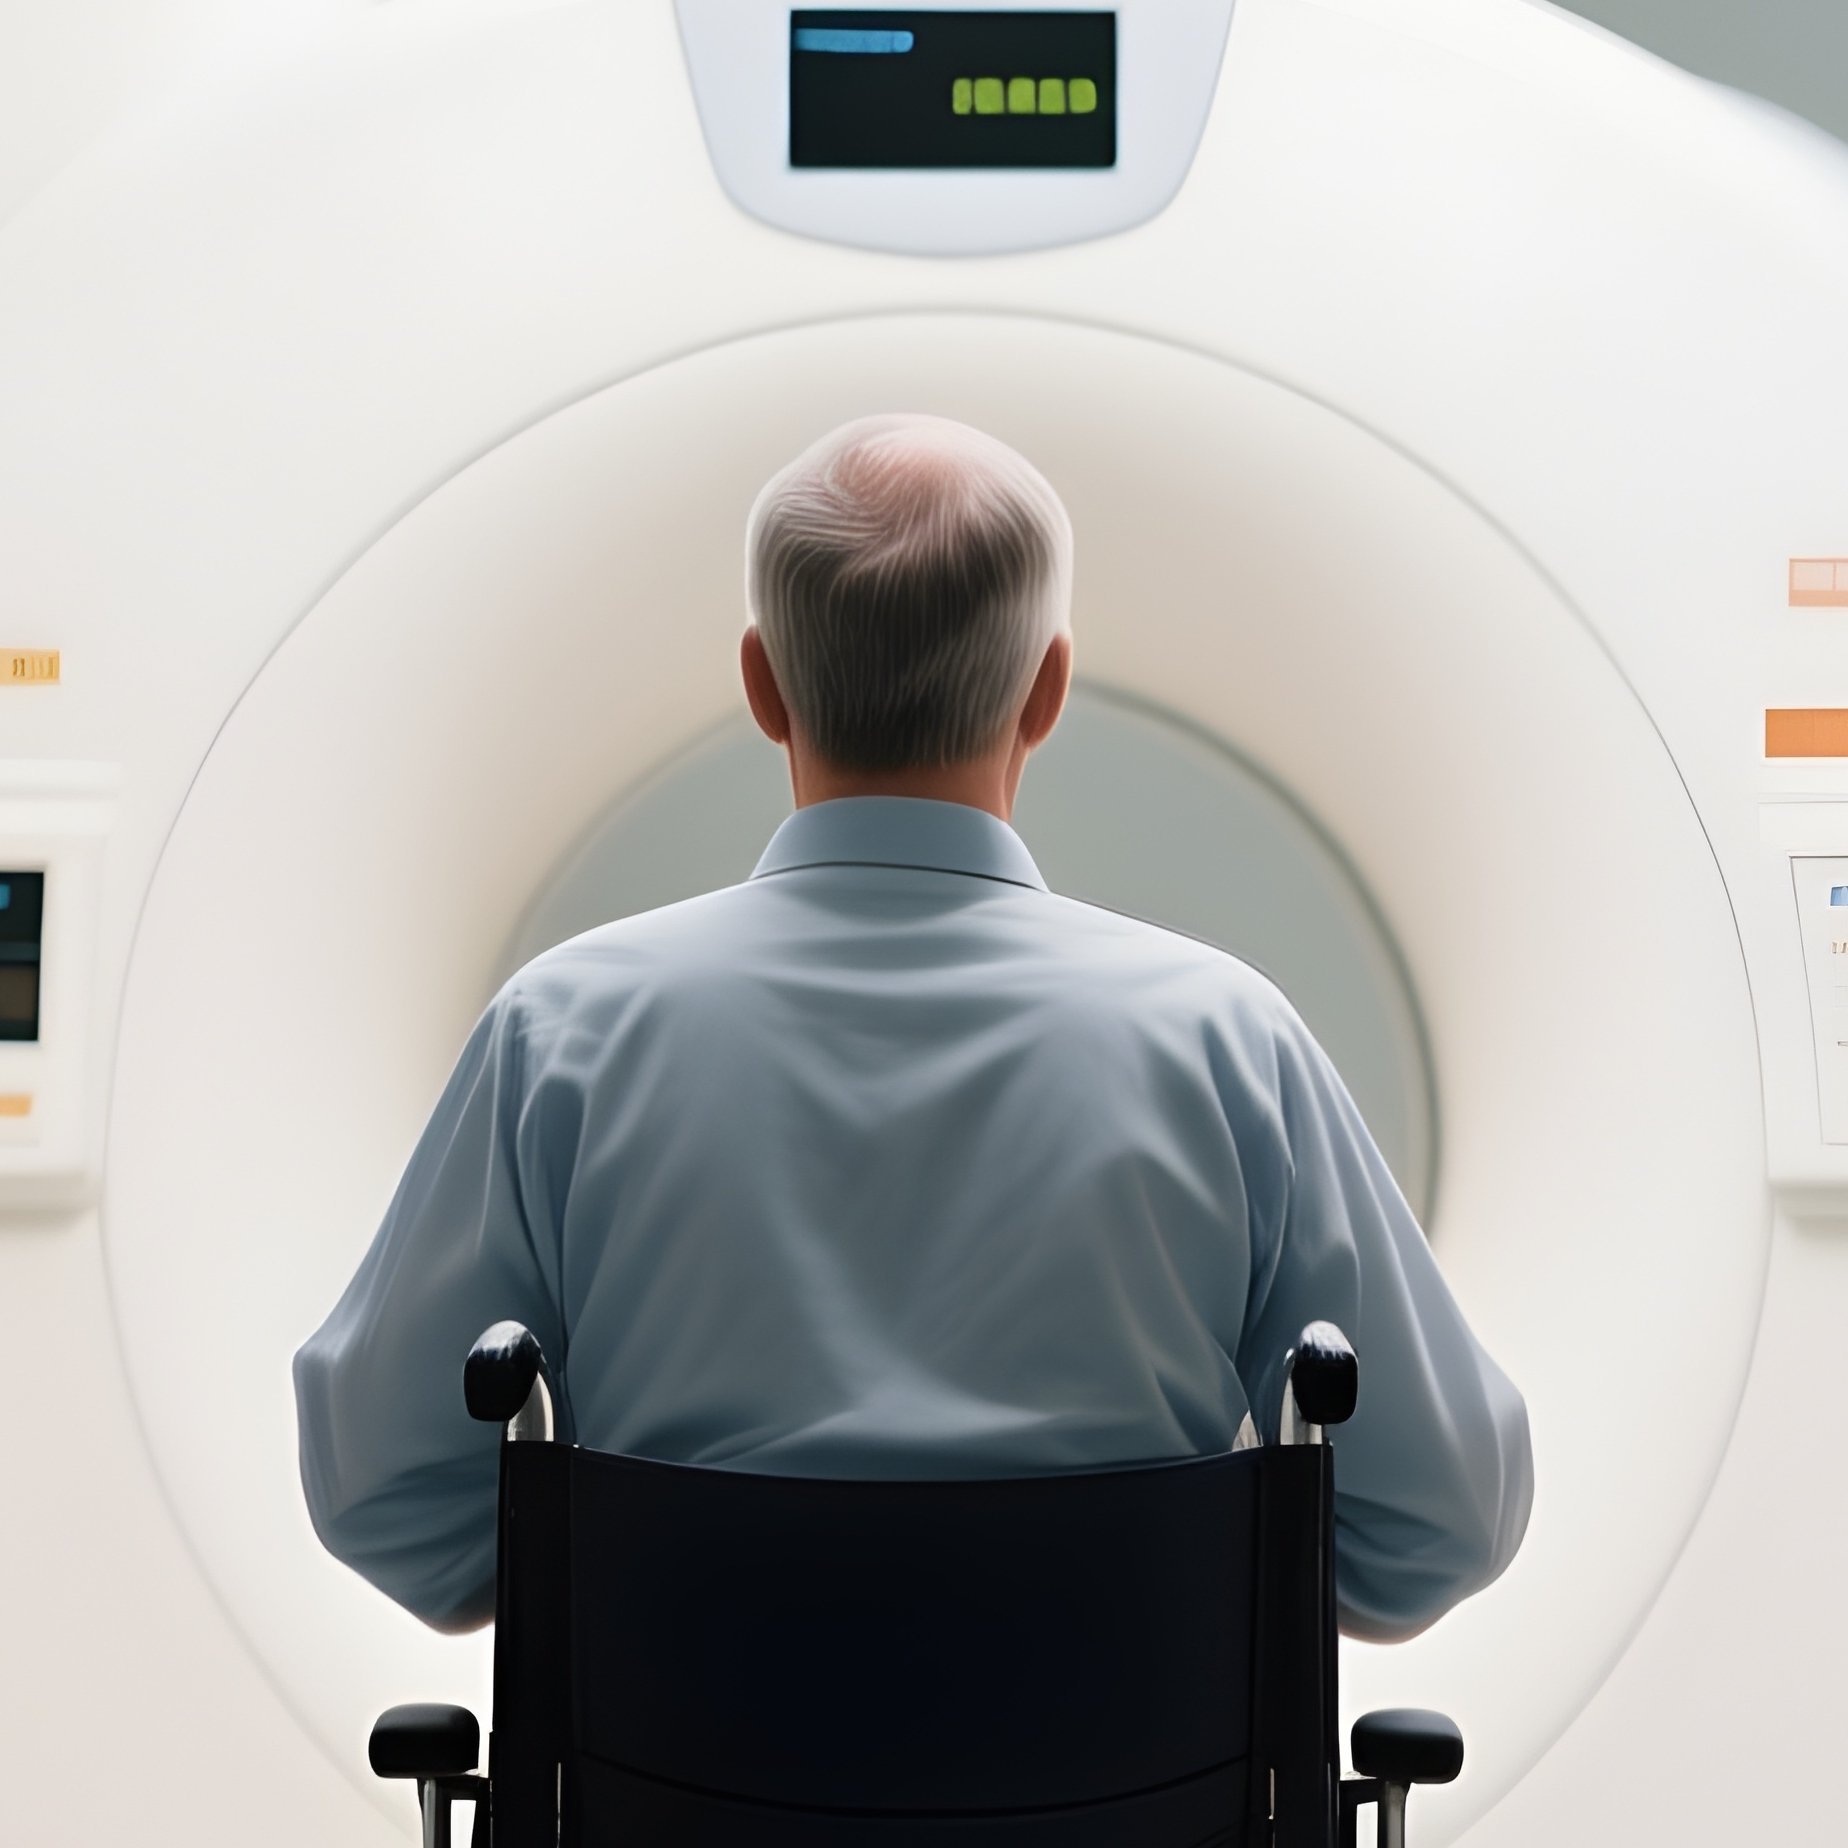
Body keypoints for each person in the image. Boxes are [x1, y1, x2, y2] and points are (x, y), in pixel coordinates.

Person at [292, 412, 1533, 1642]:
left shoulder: (559, 1033)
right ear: (1048, 690)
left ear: (763, 686)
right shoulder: (1227, 1042)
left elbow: (391, 1504)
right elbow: (1439, 1524)